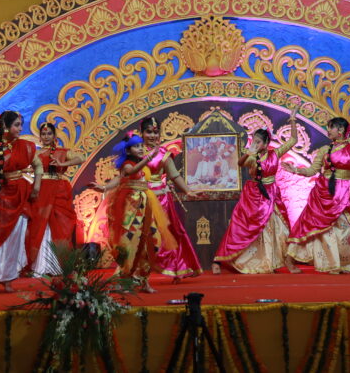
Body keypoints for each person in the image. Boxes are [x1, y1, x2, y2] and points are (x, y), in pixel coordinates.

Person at [283, 109, 350, 274]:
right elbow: (312, 170)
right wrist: (295, 170)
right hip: (324, 193)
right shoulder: (324, 150)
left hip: (345, 194)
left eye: (331, 127)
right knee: (308, 225)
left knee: (347, 229)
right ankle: (290, 260)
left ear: (340, 130)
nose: (328, 131)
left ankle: (341, 262)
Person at [0, 111, 51, 292]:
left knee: (14, 238)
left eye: (21, 124)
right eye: (17, 125)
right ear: (5, 126)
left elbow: (38, 166)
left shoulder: (26, 146)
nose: (20, 128)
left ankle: (7, 278)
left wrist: (36, 187)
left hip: (19, 197)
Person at [212, 106, 300, 274]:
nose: (255, 144)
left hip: (271, 194)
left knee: (280, 228)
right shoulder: (251, 155)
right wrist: (249, 152)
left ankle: (274, 261)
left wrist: (293, 119)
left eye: (259, 142)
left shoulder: (275, 153)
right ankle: (218, 261)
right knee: (241, 227)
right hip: (253, 195)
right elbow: (240, 163)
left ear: (266, 144)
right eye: (254, 141)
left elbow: (293, 140)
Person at [106, 133, 176, 293]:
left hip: (145, 211)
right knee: (128, 245)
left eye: (140, 146)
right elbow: (130, 172)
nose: (140, 148)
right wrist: (149, 158)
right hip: (131, 213)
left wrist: (163, 190)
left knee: (152, 244)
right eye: (136, 146)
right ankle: (124, 280)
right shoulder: (127, 165)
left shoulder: (143, 168)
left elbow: (145, 189)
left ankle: (144, 281)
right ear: (128, 150)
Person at [140, 116, 202, 281]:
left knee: (167, 235)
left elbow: (174, 176)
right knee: (139, 235)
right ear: (141, 134)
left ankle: (177, 268)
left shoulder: (163, 154)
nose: (152, 136)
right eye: (148, 132)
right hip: (140, 199)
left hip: (160, 200)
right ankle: (137, 273)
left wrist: (187, 191)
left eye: (155, 132)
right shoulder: (136, 152)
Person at [27, 122, 85, 253]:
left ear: (54, 136)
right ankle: (39, 260)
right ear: (39, 137)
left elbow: (81, 158)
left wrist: (63, 163)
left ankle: (56, 259)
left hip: (57, 191)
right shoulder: (35, 153)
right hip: (40, 190)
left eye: (49, 134)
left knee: (59, 223)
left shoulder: (61, 152)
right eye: (43, 134)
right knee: (38, 222)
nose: (46, 136)